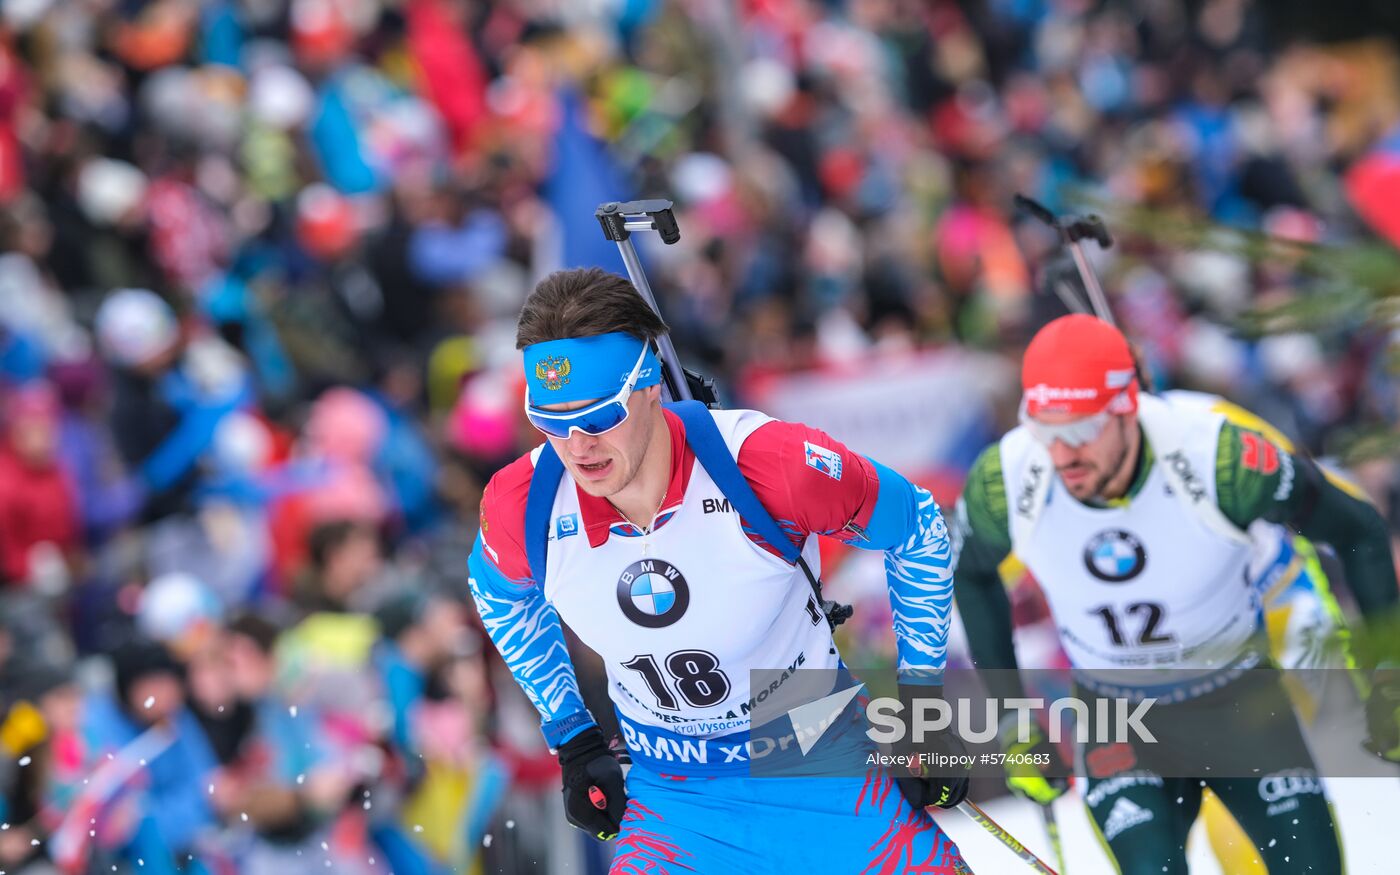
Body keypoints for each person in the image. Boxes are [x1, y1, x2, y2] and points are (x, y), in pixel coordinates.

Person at [467, 267, 974, 873]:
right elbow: (501, 598)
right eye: (550, 421)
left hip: (819, 762)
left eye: (600, 417)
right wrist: (572, 736)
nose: (578, 447)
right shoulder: (524, 504)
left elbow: (916, 525)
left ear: (649, 383)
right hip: (674, 798)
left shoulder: (767, 465)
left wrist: (922, 708)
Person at [952, 314, 1400, 874]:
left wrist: (1387, 670)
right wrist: (1013, 720)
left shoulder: (1218, 459)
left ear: (1126, 409)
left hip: (1237, 704)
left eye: (1079, 432)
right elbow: (969, 574)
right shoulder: (1008, 478)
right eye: (1045, 430)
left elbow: (1356, 526)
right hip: (1119, 717)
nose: (1062, 455)